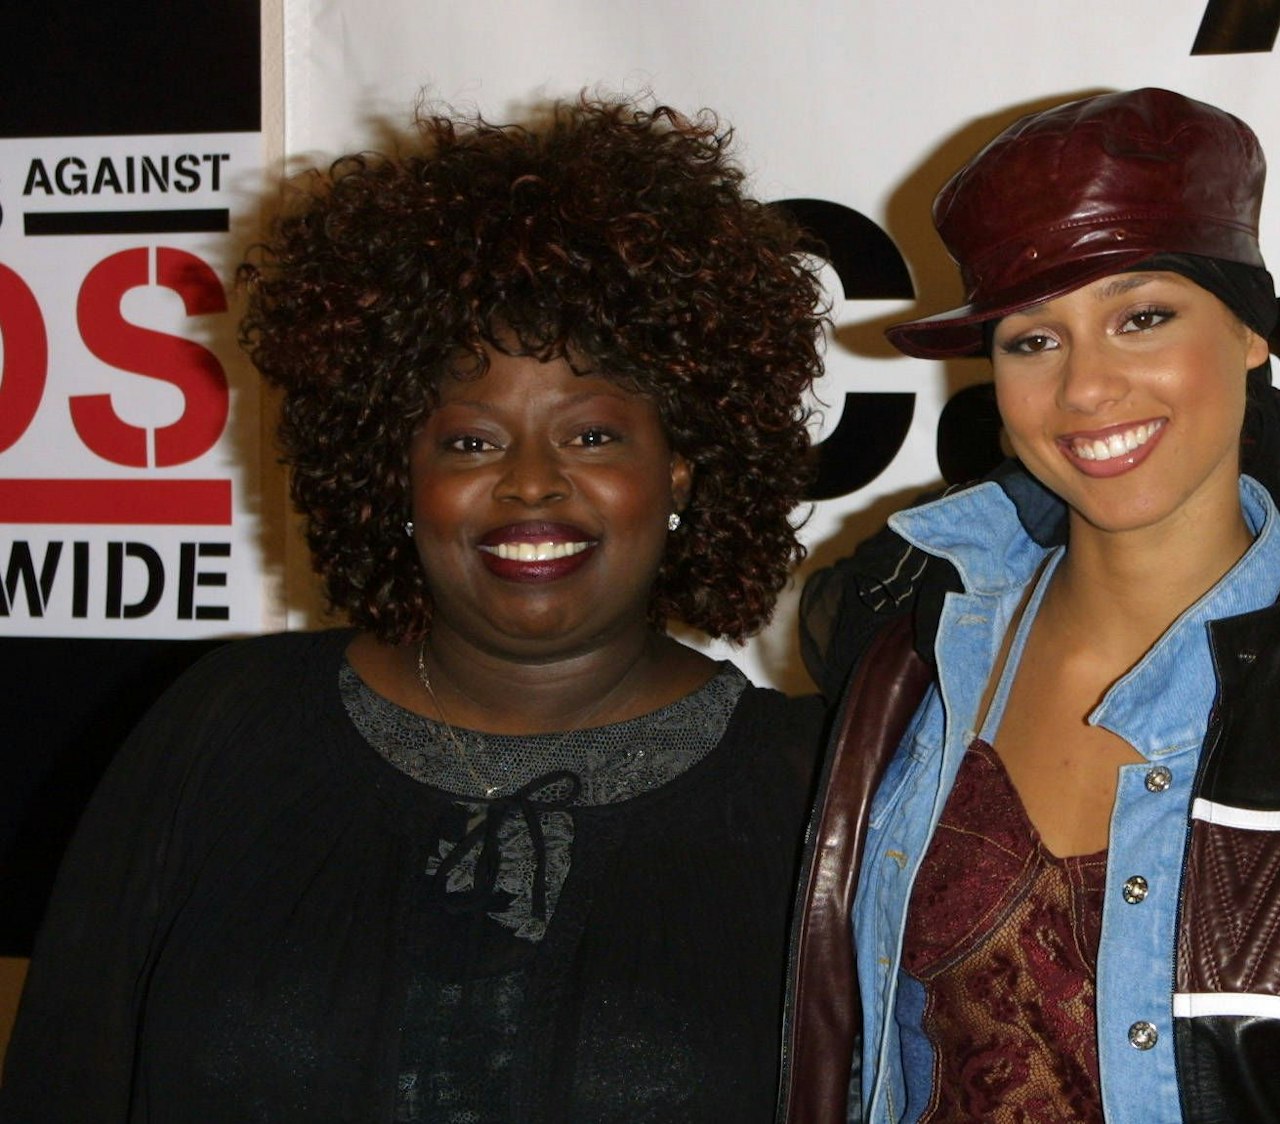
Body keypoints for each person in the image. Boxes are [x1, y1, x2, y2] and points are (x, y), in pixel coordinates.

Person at [0, 96, 826, 1122]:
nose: (531, 482)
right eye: (471, 441)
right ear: (396, 474)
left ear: (682, 473)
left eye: (593, 436)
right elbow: (64, 1080)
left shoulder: (809, 794)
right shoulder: (224, 729)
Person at [781, 87, 1280, 1124]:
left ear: (1251, 332)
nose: (1085, 388)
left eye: (1142, 318)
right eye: (1032, 340)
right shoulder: (912, 659)